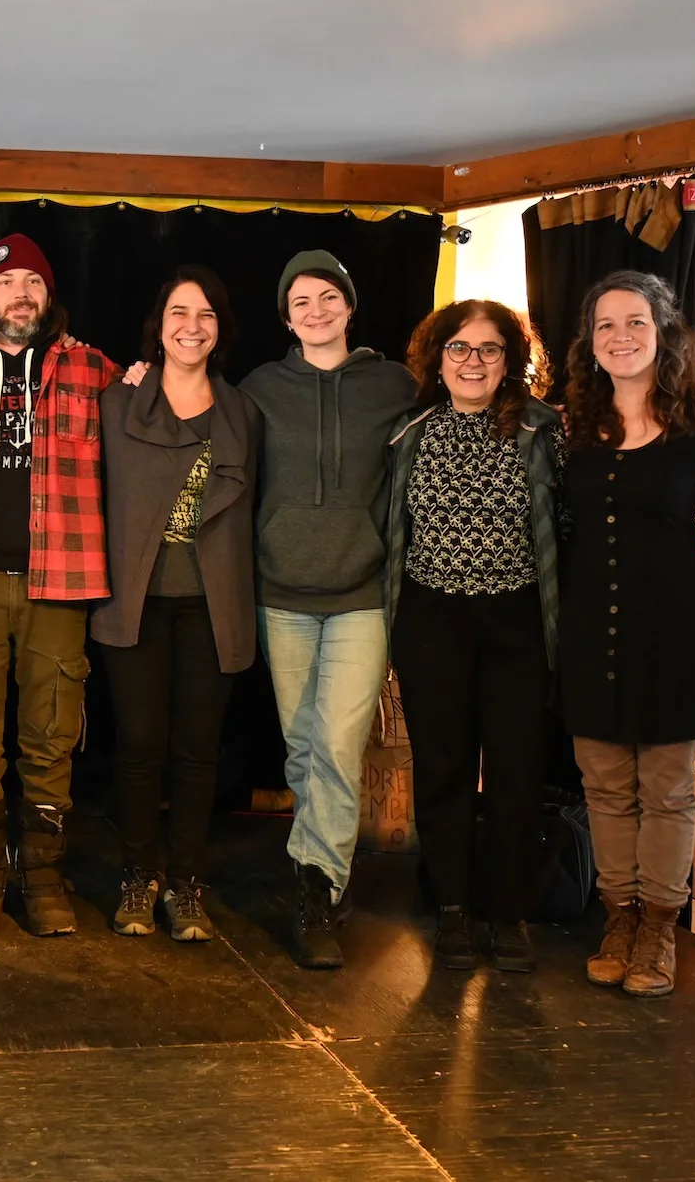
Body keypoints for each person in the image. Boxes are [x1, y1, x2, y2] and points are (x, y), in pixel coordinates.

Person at [559, 271, 695, 997]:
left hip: (678, 627)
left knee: (668, 790)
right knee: (605, 786)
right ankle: (619, 918)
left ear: (664, 331)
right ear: (590, 340)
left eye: (636, 322)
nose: (621, 336)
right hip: (590, 628)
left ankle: (659, 931)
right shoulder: (571, 421)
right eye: (606, 325)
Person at [0, 234, 116, 937]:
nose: (21, 294)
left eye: (34, 283)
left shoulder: (93, 369)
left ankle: (43, 881)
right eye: (8, 283)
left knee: (50, 739)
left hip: (59, 581)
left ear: (48, 296)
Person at [239, 250, 415, 969]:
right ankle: (315, 867)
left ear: (349, 306)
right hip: (281, 592)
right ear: (287, 318)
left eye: (328, 297)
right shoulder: (260, 388)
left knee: (338, 745)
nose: (316, 311)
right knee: (303, 746)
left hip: (360, 596)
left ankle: (321, 889)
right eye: (301, 302)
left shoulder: (394, 386)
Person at [384, 300, 563, 974]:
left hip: (518, 623)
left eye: (489, 349)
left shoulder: (544, 430)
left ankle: (510, 913)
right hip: (431, 622)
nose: (473, 361)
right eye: (459, 348)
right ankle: (453, 907)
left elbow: (575, 522)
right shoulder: (410, 432)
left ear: (509, 361)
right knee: (443, 769)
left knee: (517, 770)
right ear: (438, 359)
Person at [93, 265, 259, 942]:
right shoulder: (117, 403)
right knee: (138, 746)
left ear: (221, 328)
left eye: (206, 314)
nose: (192, 326)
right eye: (179, 313)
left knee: (197, 751)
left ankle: (185, 883)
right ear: (158, 327)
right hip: (135, 601)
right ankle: (138, 876)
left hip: (214, 603)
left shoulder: (244, 412)